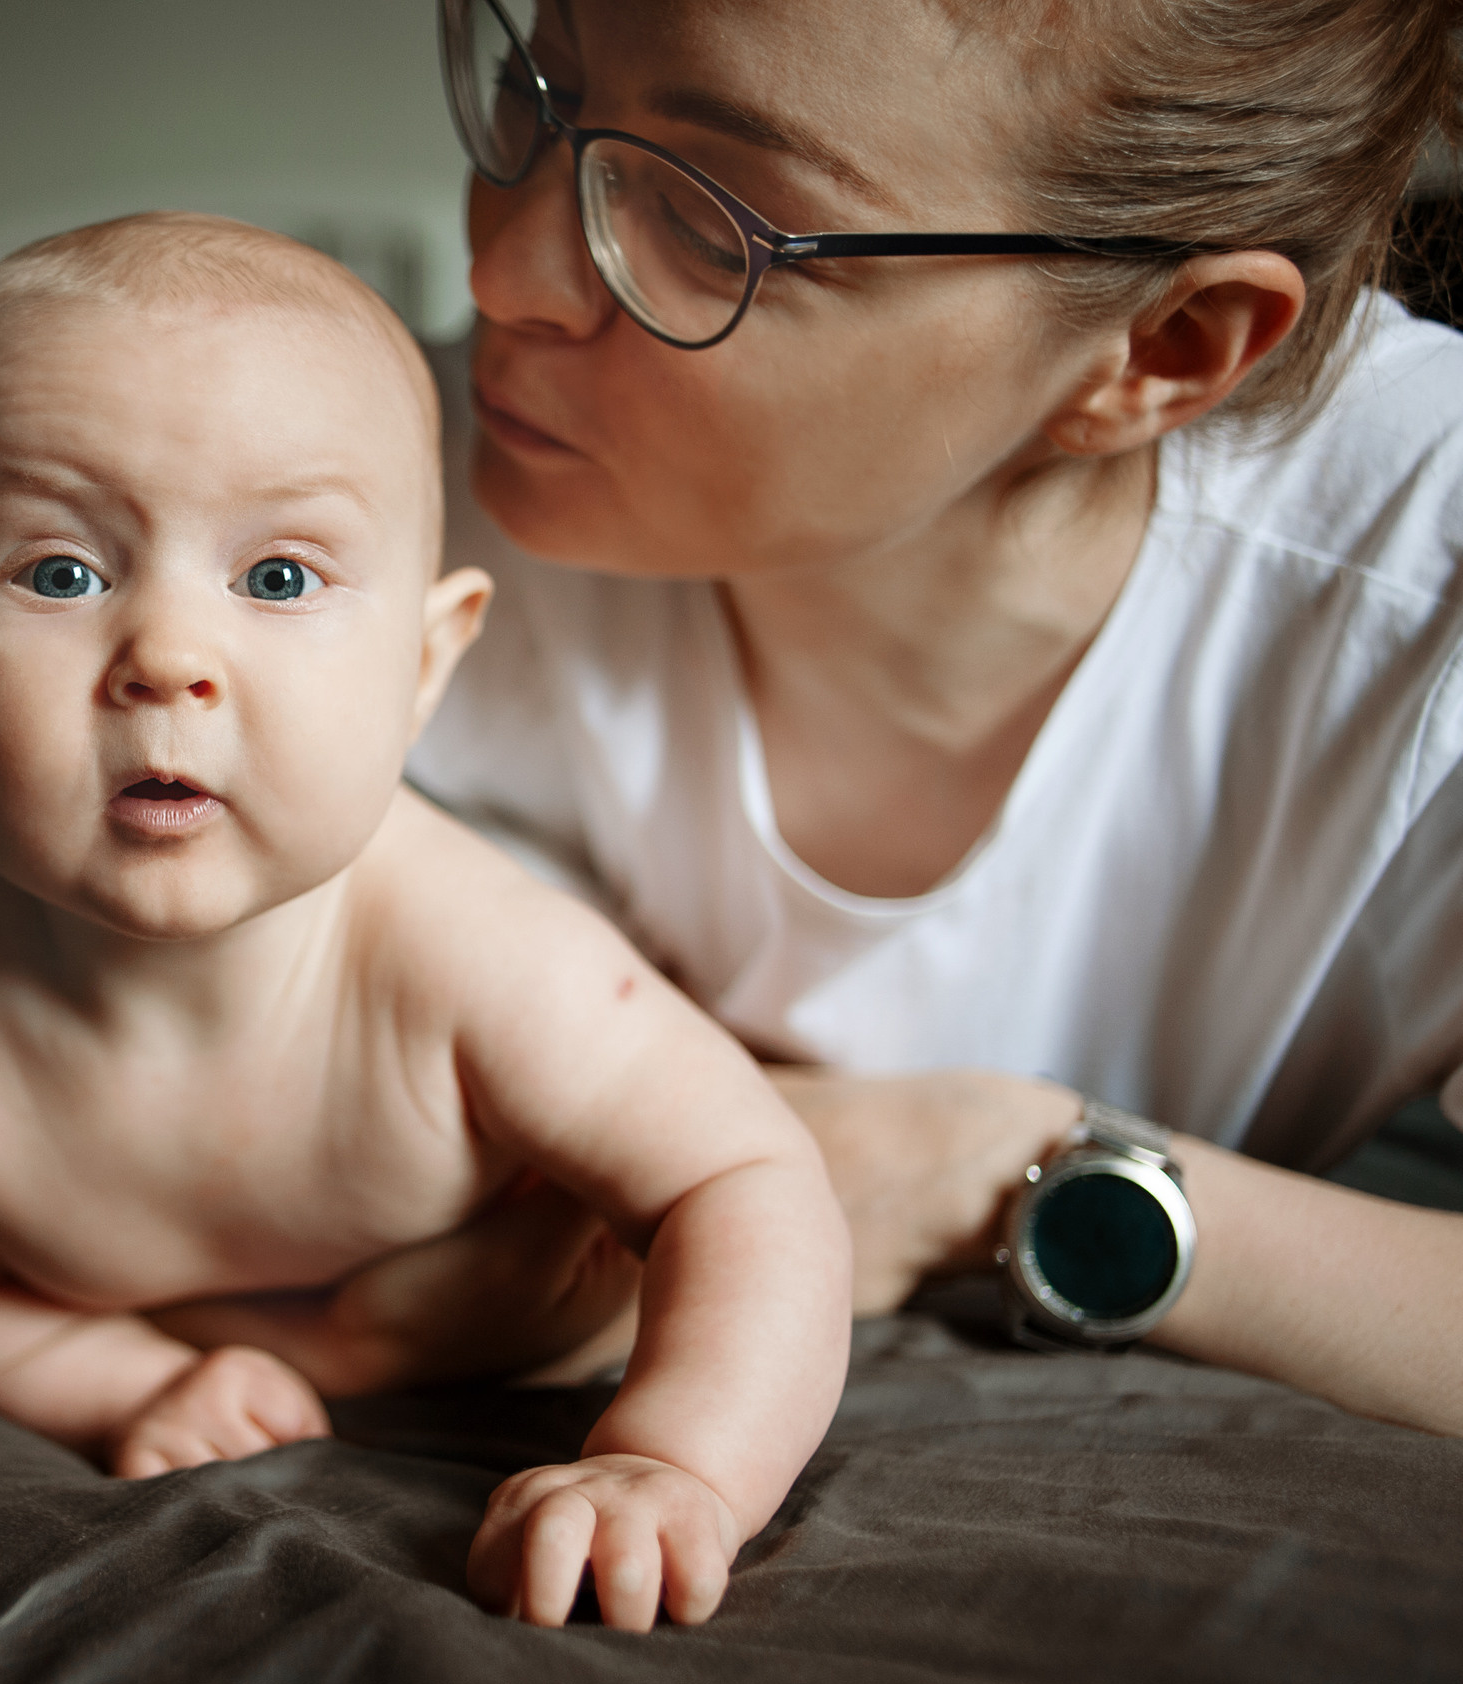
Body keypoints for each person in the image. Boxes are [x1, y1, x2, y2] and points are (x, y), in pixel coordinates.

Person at [0, 211, 851, 1633]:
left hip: (508, 1242)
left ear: (426, 664)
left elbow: (751, 1180)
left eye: (277, 578)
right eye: (60, 573)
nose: (168, 662)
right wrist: (128, 1380)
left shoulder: (483, 962)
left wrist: (677, 1459)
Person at [400, 0, 1463, 1431]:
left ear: (1164, 348)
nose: (502, 269)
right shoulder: (370, 491)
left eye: (717, 224)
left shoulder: (1422, 586)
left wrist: (976, 1174)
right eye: (544, 85)